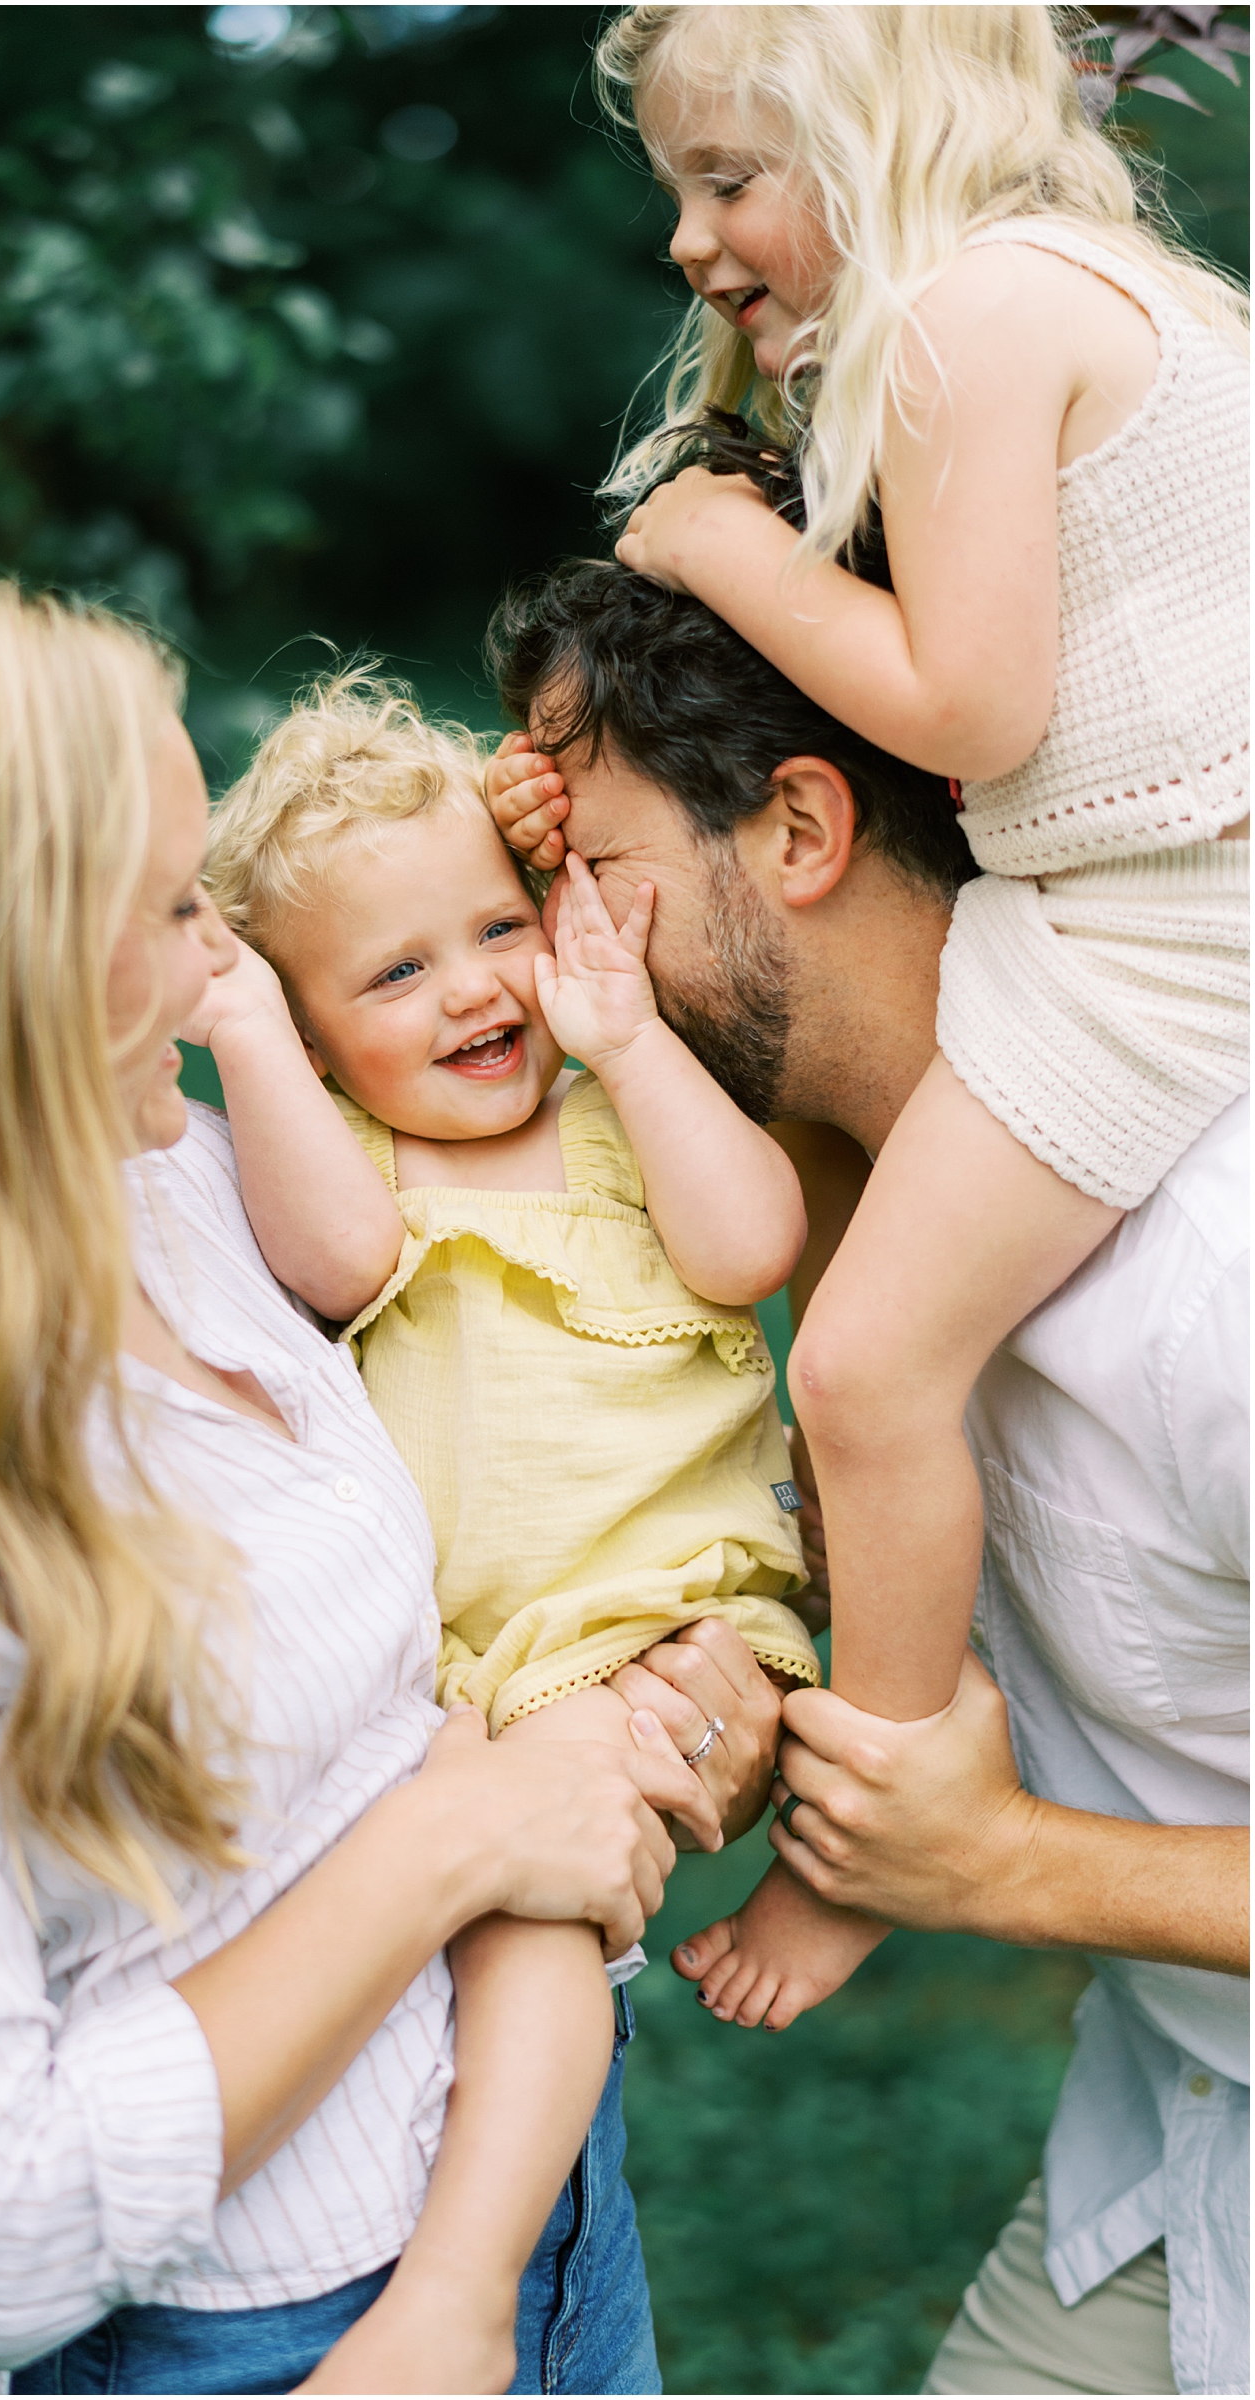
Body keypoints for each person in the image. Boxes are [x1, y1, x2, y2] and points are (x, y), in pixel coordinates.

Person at [0, 575, 781, 2399]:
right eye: (179, 905)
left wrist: (664, 1710)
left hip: (548, 2233)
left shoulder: (178, 1196)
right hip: (225, 2344)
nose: (216, 967)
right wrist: (457, 1840)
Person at [525, 0, 1249, 2030]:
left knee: (855, 1373)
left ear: (865, 138)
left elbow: (964, 710)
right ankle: (873, 1665)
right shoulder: (1064, 302)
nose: (687, 239)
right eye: (676, 188)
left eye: (726, 178)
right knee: (849, 1183)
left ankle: (881, 1824)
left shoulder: (970, 318)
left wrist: (714, 544)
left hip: (1154, 927)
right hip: (1120, 894)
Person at [486, 552, 1248, 2398]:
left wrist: (996, 1862)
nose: (545, 950)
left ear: (804, 830)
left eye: (594, 878)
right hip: (1177, 2141)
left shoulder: (1217, 1276)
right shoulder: (841, 1199)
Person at [175, 669, 817, 2375]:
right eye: (397, 972)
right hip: (476, 1664)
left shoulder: (617, 1114)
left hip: (664, 1619)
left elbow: (754, 1247)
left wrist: (629, 1030)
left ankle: (458, 2292)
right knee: (464, 1904)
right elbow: (332, 1270)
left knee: (529, 1921)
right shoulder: (357, 1172)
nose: (472, 989)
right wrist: (243, 1036)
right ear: (314, 1045)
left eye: (492, 929)